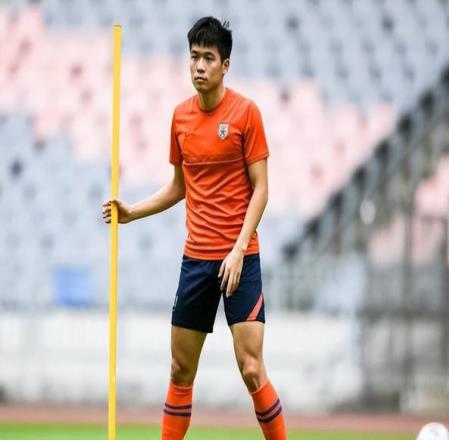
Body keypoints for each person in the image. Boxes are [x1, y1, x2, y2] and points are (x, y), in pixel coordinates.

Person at [102, 16, 287, 440]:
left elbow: (261, 190)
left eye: (208, 58)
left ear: (225, 65)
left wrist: (238, 248)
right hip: (196, 260)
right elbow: (179, 186)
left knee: (251, 368)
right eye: (194, 57)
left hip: (241, 258)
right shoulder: (180, 118)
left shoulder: (246, 113)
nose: (199, 66)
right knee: (180, 369)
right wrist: (132, 212)